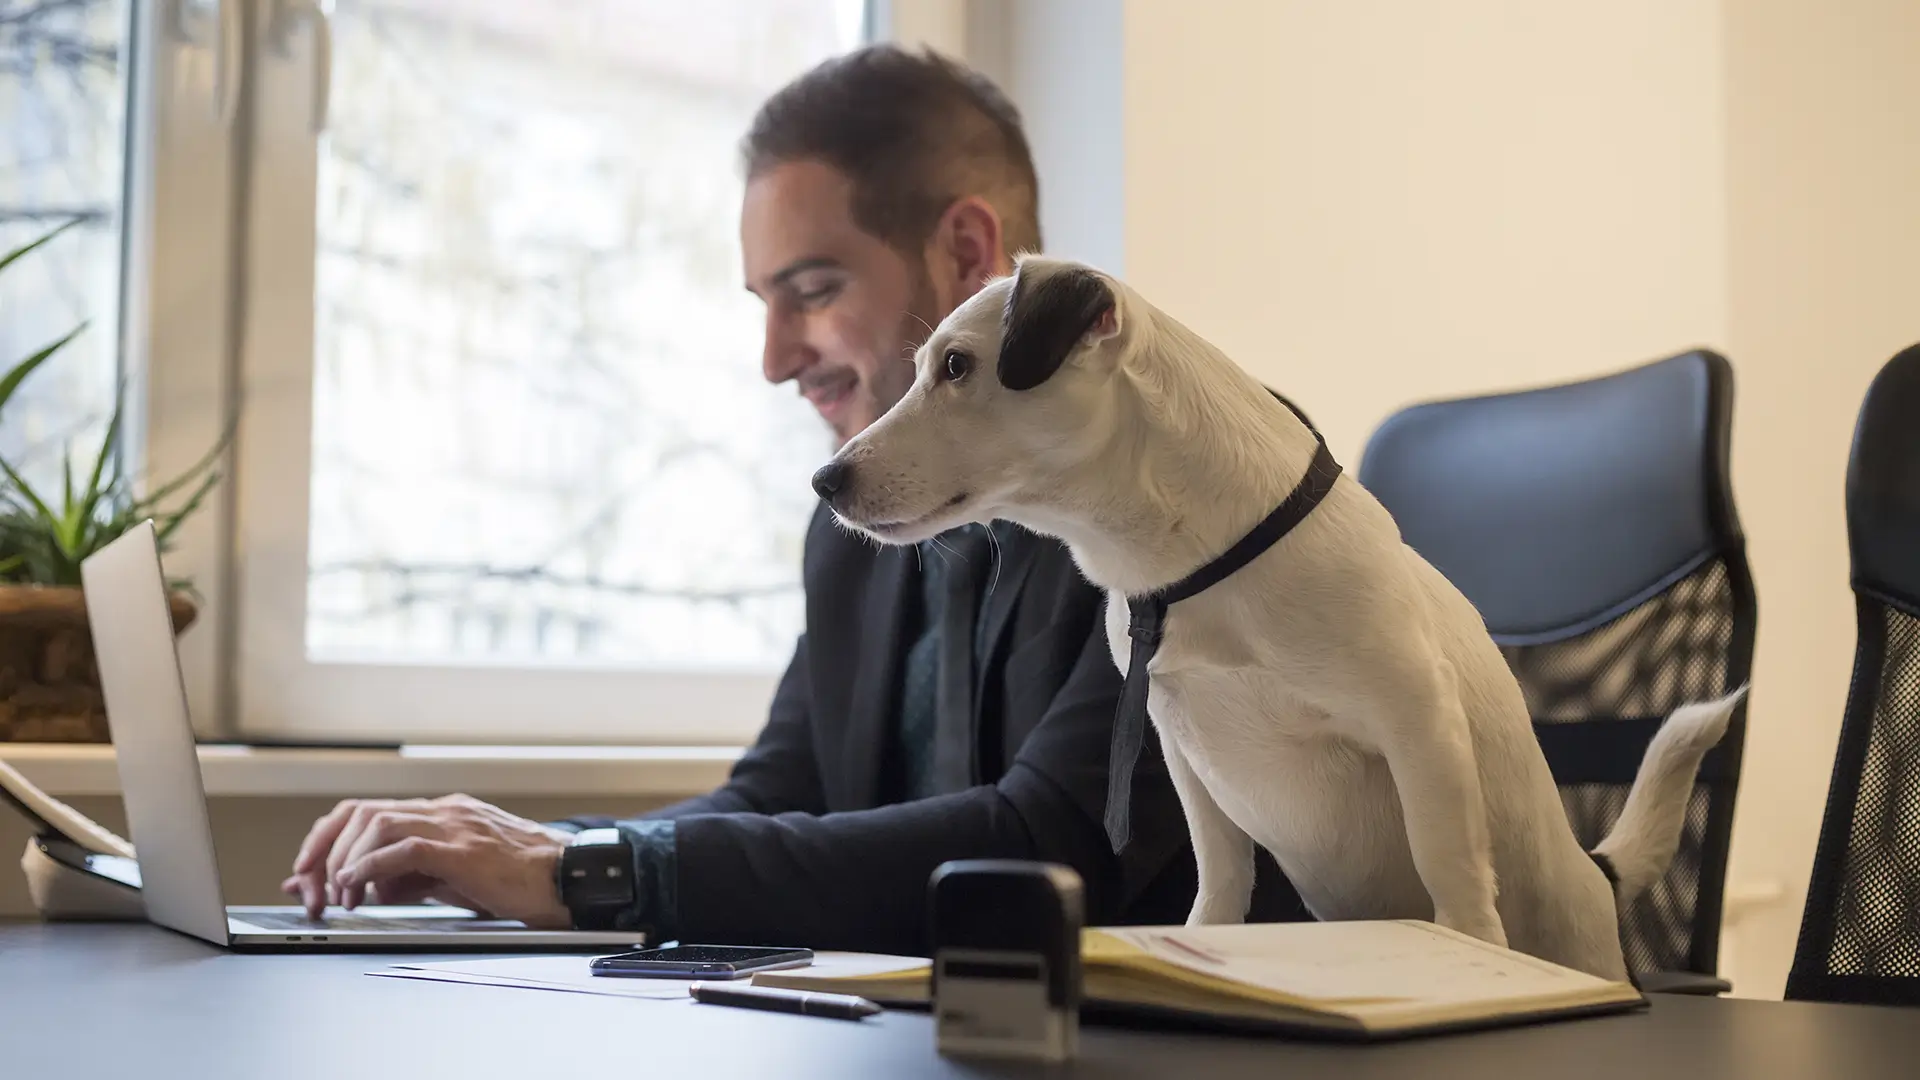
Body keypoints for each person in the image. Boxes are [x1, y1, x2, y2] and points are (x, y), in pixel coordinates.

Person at [282, 45, 1306, 955]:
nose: (775, 361)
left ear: (964, 250)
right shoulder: (858, 517)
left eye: (811, 292)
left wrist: (579, 877)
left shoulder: (1188, 496)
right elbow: (777, 794)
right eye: (764, 304)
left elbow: (1052, 849)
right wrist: (529, 854)